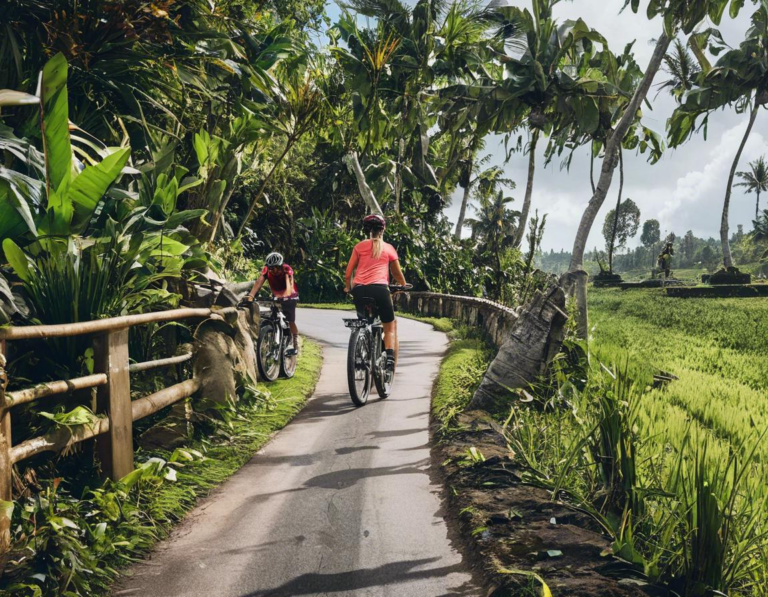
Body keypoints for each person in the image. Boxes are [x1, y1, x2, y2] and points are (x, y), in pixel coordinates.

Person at [344, 214, 408, 372]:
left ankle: (363, 351)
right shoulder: (388, 248)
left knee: (364, 322)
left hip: (359, 290)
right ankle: (390, 360)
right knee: (390, 326)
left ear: (366, 230)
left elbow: (348, 273)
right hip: (380, 289)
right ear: (383, 229)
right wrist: (403, 285)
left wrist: (347, 287)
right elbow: (397, 274)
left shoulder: (359, 247)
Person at [242, 252, 299, 356]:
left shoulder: (286, 269)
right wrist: (251, 296)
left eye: (277, 267)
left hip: (290, 295)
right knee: (272, 314)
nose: (275, 270)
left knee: (290, 320)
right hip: (277, 295)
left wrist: (286, 295)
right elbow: (259, 282)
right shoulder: (266, 270)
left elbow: (289, 284)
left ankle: (295, 344)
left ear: (281, 266)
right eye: (271, 268)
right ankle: (272, 335)